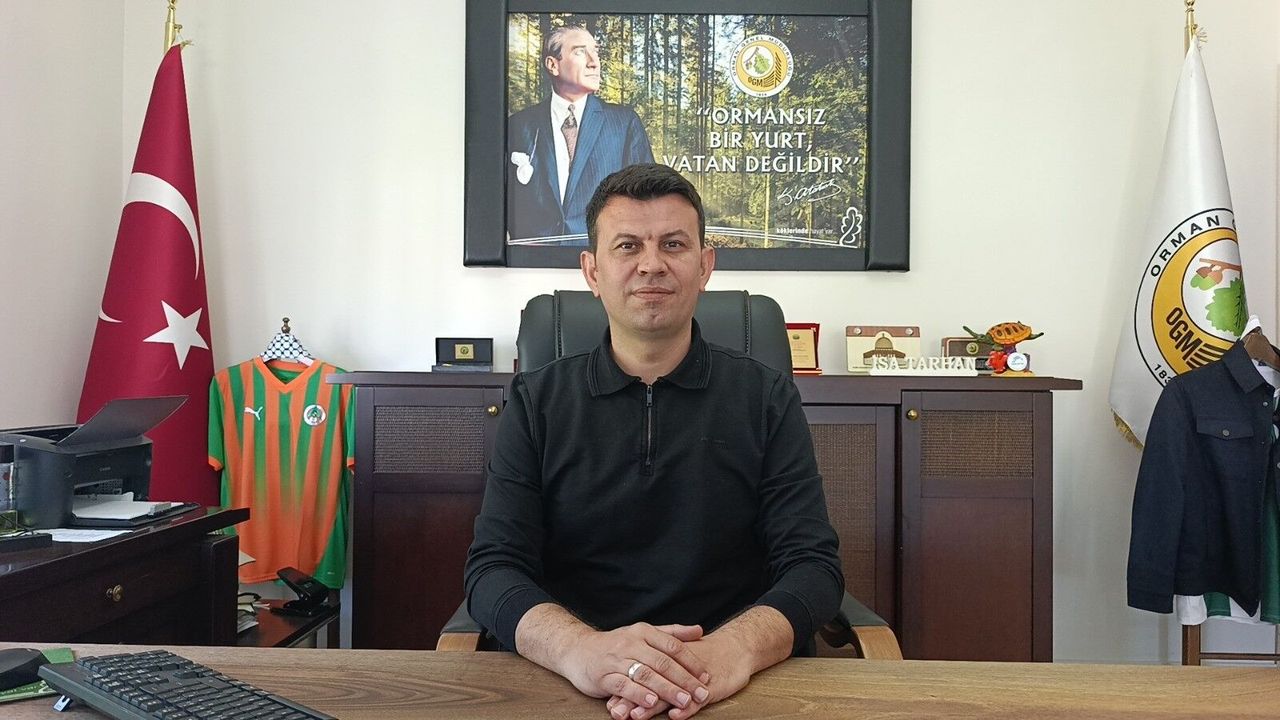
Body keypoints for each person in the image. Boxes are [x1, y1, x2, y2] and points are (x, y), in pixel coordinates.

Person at [465, 163, 844, 720]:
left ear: (704, 265)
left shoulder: (767, 397)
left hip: (728, 684)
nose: (651, 264)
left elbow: (813, 567)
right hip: (572, 683)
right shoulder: (536, 401)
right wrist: (581, 651)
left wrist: (730, 652)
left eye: (673, 244)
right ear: (592, 271)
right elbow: (493, 569)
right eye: (627, 246)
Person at [506, 24, 654, 245]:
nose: (594, 62)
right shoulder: (518, 125)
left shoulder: (624, 124)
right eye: (580, 52)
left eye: (596, 51)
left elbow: (646, 200)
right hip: (531, 260)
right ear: (553, 65)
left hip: (601, 258)